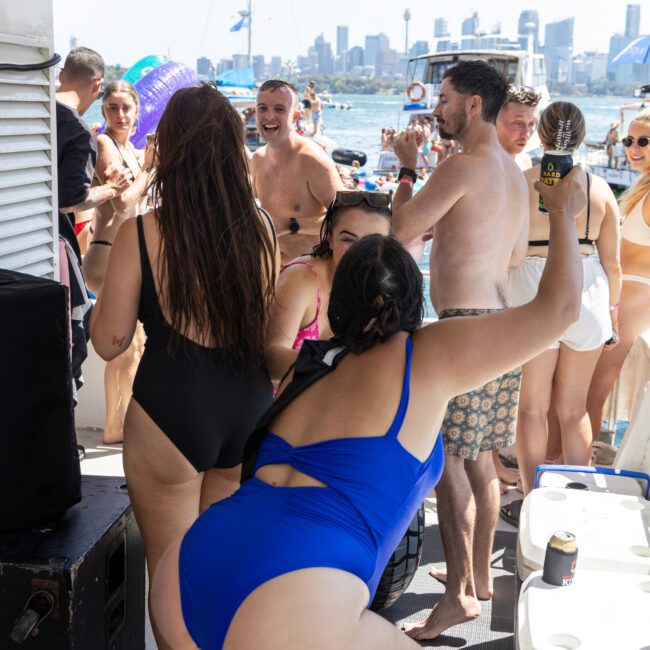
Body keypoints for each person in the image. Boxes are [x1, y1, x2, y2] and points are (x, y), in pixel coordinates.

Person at [149, 168, 585, 650]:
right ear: (411, 297)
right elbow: (561, 310)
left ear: (338, 300)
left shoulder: (308, 367)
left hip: (189, 568)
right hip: (294, 592)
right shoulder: (427, 356)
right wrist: (562, 211)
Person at [89, 85, 278, 649]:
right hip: (246, 405)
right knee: (215, 570)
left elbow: (108, 340)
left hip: (174, 402)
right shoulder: (262, 226)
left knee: (168, 572)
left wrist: (104, 229)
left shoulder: (144, 230)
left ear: (169, 148)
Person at [390, 60, 528, 640]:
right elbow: (517, 260)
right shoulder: (512, 173)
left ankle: (457, 597)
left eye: (444, 98)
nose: (436, 108)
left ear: (472, 104)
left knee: (447, 464)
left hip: (463, 325)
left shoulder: (462, 164)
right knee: (480, 462)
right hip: (502, 325)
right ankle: (476, 578)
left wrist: (404, 166)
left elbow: (400, 230)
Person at [501, 102, 621, 522]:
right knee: (574, 411)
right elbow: (614, 265)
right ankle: (578, 501)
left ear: (541, 136)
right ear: (583, 138)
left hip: (534, 291)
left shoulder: (521, 182)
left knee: (532, 409)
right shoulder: (601, 189)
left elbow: (509, 255)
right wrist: (612, 314)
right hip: (586, 291)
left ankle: (533, 503)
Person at [81, 80, 154, 444]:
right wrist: (151, 169)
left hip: (125, 255)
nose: (120, 114)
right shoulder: (105, 143)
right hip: (107, 253)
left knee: (133, 344)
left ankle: (116, 424)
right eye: (112, 107)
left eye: (126, 108)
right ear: (103, 111)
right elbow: (125, 202)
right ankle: (115, 425)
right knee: (126, 342)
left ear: (137, 111)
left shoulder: (130, 149)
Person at [55, 46, 132, 391]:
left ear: (60, 75)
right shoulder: (78, 131)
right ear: (97, 86)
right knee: (72, 340)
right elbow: (69, 201)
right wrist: (111, 188)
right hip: (54, 249)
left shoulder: (29, 114)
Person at [266, 191, 392, 382]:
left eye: (372, 243)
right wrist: (336, 363)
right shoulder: (301, 279)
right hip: (284, 400)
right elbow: (271, 360)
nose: (360, 253)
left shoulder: (379, 288)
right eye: (348, 240)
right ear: (329, 238)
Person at [588, 108, 650, 439]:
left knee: (596, 387)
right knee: (593, 385)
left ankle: (577, 460)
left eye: (644, 140)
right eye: (629, 139)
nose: (633, 147)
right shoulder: (642, 186)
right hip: (625, 291)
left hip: (636, 296)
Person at [493, 84, 542, 489]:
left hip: (513, 285)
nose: (525, 131)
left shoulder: (521, 162)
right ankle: (489, 463)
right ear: (495, 120)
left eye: (530, 124)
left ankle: (493, 459)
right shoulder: (489, 164)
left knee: (505, 379)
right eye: (516, 124)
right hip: (490, 286)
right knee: (490, 379)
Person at [251, 79, 343, 264]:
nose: (269, 116)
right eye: (262, 108)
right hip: (274, 271)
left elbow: (348, 219)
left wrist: (289, 225)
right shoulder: (257, 160)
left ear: (295, 116)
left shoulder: (311, 160)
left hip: (312, 275)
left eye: (279, 109)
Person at [496, 85, 541, 171]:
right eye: (518, 123)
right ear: (494, 121)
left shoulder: (525, 161)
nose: (526, 134)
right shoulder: (478, 165)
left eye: (532, 123)